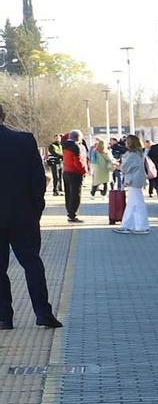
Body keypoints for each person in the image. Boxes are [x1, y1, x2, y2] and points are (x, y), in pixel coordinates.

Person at [0, 107, 61, 328]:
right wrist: (35, 210)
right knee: (32, 263)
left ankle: (4, 317)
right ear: (3, 117)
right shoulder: (24, 140)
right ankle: (43, 313)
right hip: (23, 215)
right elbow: (38, 179)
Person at [117, 134, 150, 235]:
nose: (125, 143)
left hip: (133, 181)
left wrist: (116, 166)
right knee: (132, 204)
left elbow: (125, 168)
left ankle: (141, 226)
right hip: (135, 180)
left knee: (137, 204)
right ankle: (127, 225)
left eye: (127, 142)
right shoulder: (138, 153)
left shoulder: (133, 155)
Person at [59, 131, 85, 223]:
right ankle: (72, 214)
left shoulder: (64, 144)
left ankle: (69, 212)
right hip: (75, 173)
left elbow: (64, 137)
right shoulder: (75, 147)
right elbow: (77, 162)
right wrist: (83, 171)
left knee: (68, 194)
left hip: (66, 171)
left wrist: (70, 133)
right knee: (76, 194)